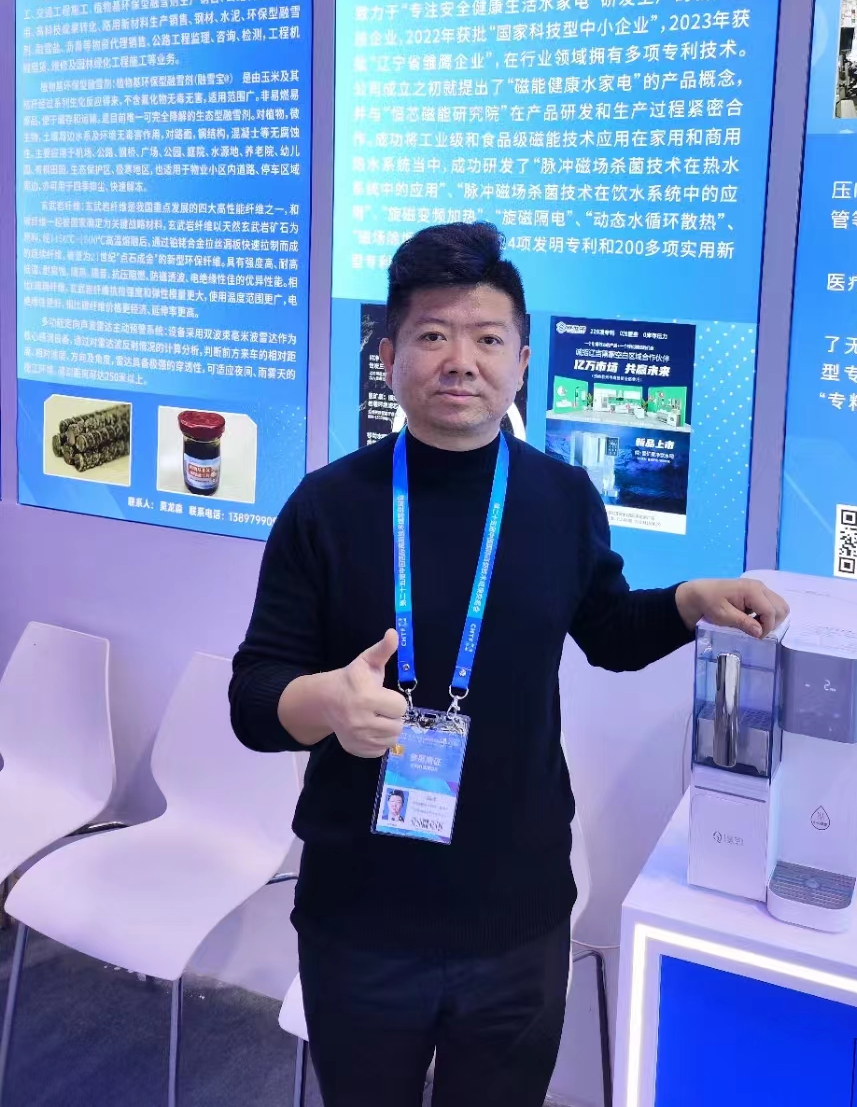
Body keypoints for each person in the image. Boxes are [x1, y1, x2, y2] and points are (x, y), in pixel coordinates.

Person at [229, 222, 788, 1107]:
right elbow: (254, 697)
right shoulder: (327, 507)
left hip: (517, 916)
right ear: (389, 357)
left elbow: (608, 630)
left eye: (488, 339)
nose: (462, 361)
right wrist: (325, 703)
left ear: (522, 361)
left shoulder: (559, 498)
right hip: (360, 914)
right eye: (433, 335)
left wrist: (689, 602)